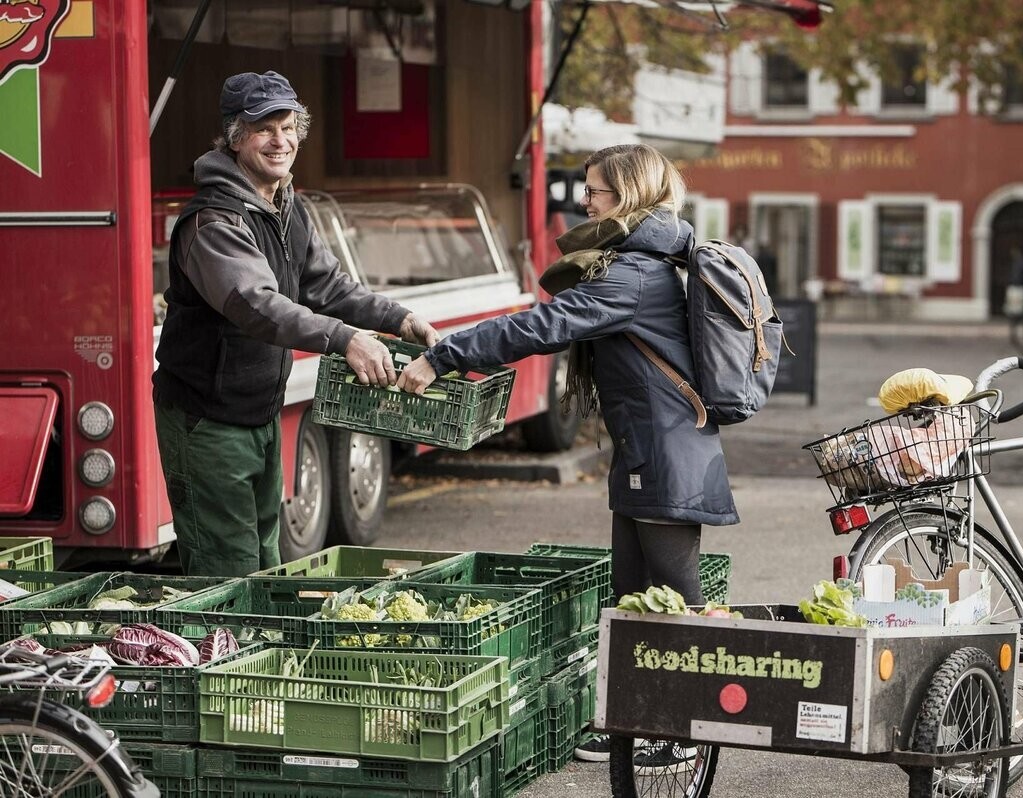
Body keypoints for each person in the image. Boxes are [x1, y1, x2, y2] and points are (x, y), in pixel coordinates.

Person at [398, 143, 739, 767]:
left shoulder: (633, 275)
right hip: (648, 450)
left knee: (675, 601)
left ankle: (684, 736)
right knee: (633, 598)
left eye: (596, 193)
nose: (584, 202)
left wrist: (443, 354)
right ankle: (636, 726)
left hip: (669, 455)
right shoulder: (639, 260)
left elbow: (541, 326)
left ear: (629, 197)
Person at [153, 71, 438, 577]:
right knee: (228, 570)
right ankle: (222, 653)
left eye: (288, 126)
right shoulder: (213, 220)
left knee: (265, 560)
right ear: (236, 137)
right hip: (206, 420)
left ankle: (254, 654)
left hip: (259, 412)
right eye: (265, 129)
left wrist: (400, 319)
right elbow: (256, 304)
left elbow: (325, 285)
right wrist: (343, 338)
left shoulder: (286, 205)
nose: (280, 140)